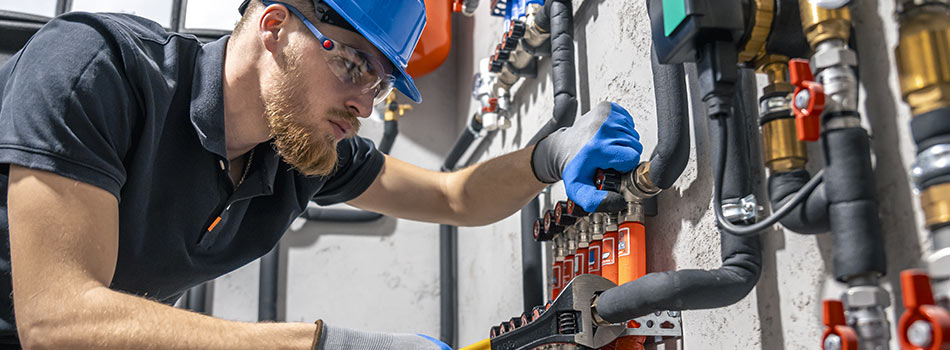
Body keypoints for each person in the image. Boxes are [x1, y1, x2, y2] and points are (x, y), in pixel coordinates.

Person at [0, 0, 642, 348]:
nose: (366, 105)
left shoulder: (298, 151)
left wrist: (547, 158)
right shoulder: (94, 69)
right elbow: (56, 318)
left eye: (382, 85)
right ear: (275, 26)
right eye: (356, 67)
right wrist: (325, 346)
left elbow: (454, 196)